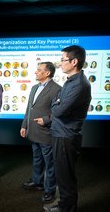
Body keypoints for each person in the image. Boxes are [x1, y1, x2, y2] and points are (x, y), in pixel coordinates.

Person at [44, 45, 91, 212]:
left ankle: (67, 209)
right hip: (61, 133)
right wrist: (57, 103)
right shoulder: (71, 81)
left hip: (66, 136)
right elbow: (57, 102)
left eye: (63, 60)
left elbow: (58, 110)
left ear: (74, 61)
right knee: (62, 174)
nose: (60, 63)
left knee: (66, 176)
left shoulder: (78, 84)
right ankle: (64, 204)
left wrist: (57, 104)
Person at [20, 62, 61, 204]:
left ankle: (49, 190)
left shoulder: (57, 89)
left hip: (46, 132)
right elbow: (29, 109)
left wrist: (45, 119)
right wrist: (24, 125)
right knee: (37, 159)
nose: (36, 72)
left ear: (47, 73)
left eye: (39, 70)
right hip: (33, 131)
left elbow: (59, 112)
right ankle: (37, 182)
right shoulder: (34, 87)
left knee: (50, 164)